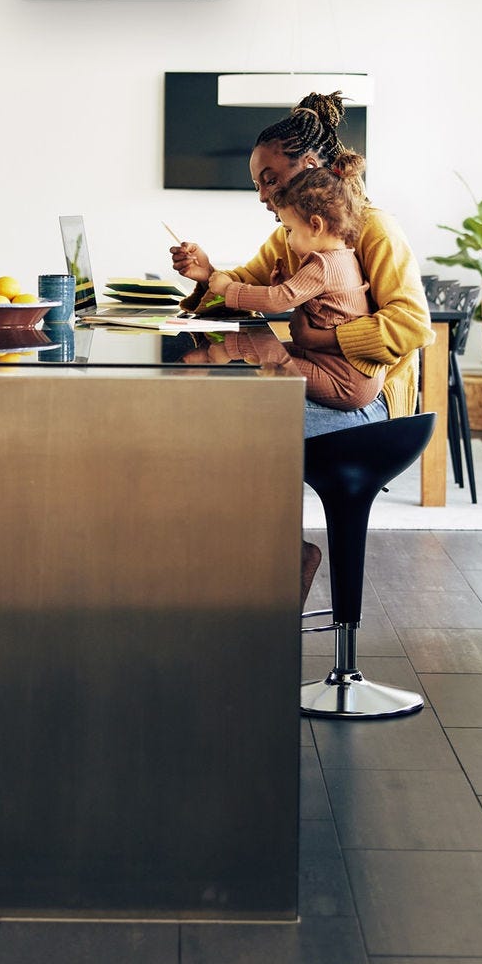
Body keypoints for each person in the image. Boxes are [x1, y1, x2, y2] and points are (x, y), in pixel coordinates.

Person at [170, 91, 432, 599]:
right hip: (316, 382)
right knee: (219, 419)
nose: (263, 197)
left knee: (237, 426)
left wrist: (321, 335)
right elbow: (246, 284)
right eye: (257, 185)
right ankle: (255, 564)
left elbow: (413, 323)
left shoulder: (374, 228)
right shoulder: (292, 233)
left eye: (269, 181)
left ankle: (281, 560)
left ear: (310, 167)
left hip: (367, 402)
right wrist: (206, 277)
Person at [198, 166, 382, 415]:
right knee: (271, 344)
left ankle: (229, 350)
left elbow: (278, 302)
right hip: (342, 368)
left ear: (316, 225)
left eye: (289, 231)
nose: (287, 240)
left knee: (276, 362)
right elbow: (312, 301)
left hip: (344, 382)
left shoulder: (323, 264)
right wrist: (289, 283)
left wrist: (230, 289)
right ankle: (228, 349)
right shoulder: (341, 257)